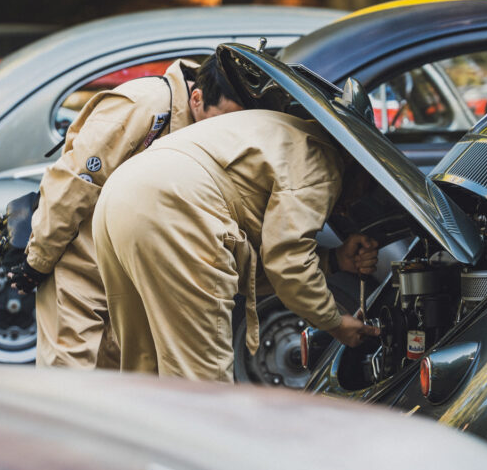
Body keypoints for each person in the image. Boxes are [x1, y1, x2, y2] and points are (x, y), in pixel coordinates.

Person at [92, 107, 380, 380]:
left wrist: (333, 260)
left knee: (144, 369)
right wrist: (335, 323)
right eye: (366, 189)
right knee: (203, 381)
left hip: (118, 194)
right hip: (176, 206)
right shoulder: (322, 160)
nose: (349, 207)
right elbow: (288, 263)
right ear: (355, 163)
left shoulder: (286, 132)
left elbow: (268, 255)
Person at [9, 55, 244, 369]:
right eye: (220, 121)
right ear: (197, 98)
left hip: (131, 278)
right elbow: (74, 182)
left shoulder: (209, 131)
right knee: (65, 385)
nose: (224, 134)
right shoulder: (142, 105)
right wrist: (37, 262)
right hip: (79, 266)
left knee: (118, 390)